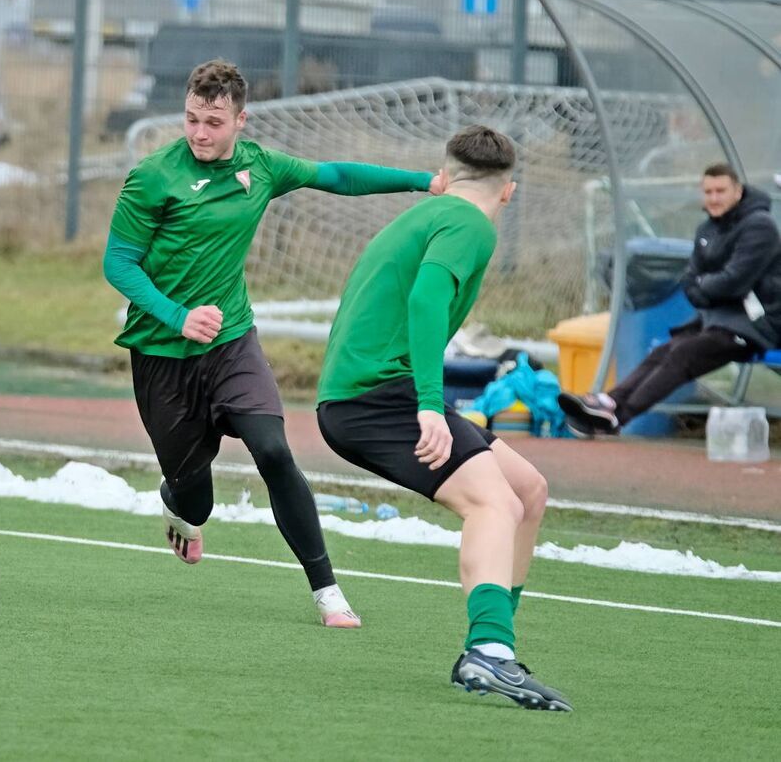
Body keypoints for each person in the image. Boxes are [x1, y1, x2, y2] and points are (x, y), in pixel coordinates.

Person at [104, 59, 445, 629]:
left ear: (241, 120)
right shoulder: (153, 176)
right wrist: (177, 315)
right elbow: (118, 261)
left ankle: (327, 591)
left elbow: (336, 176)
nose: (199, 133)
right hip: (162, 355)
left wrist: (423, 183)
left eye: (213, 121)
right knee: (196, 498)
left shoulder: (261, 167)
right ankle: (179, 505)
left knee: (274, 450)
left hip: (233, 343)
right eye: (191, 119)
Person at [316, 125, 571, 711]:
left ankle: (493, 643)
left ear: (445, 172)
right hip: (376, 398)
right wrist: (431, 404)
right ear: (509, 191)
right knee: (494, 503)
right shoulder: (468, 222)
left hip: (372, 392)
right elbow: (427, 299)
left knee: (526, 490)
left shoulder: (429, 215)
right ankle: (489, 652)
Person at [559, 163, 781, 437]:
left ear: (737, 191)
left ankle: (617, 418)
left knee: (682, 354)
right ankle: (610, 402)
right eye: (708, 191)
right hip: (716, 319)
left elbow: (734, 281)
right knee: (661, 352)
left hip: (756, 326)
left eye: (720, 190)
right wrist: (707, 287)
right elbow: (690, 279)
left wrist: (705, 287)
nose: (713, 198)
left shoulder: (761, 227)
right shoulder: (707, 230)